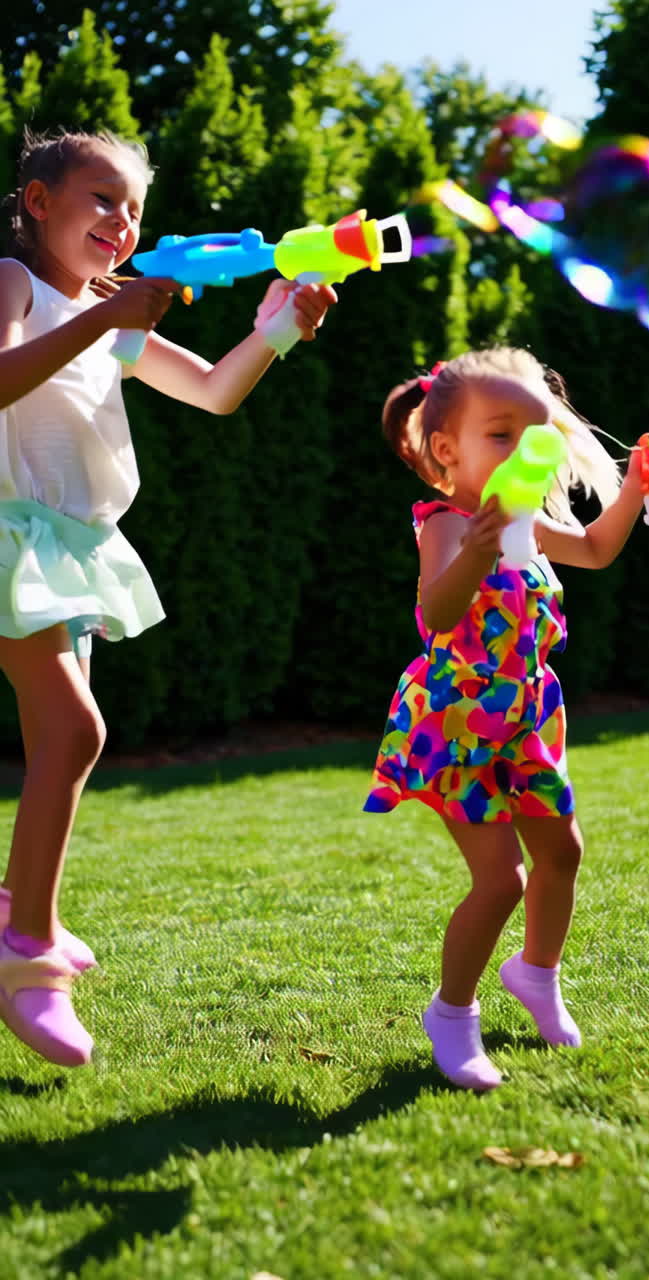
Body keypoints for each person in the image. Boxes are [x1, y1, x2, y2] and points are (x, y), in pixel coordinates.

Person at [0, 127, 336, 1068]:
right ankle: (26, 963)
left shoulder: (111, 308)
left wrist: (275, 328)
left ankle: (29, 913)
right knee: (76, 734)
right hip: (7, 532)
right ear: (38, 201)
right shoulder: (16, 285)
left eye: (135, 208)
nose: (122, 221)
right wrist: (106, 323)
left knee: (52, 747)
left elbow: (215, 393)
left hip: (74, 545)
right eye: (102, 199)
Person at [364, 347, 645, 1090]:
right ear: (447, 448)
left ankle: (536, 974)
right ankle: (452, 1014)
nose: (525, 448)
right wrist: (479, 550)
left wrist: (636, 490)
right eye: (501, 434)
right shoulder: (451, 523)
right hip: (457, 722)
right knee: (501, 881)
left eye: (534, 432)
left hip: (525, 719)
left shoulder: (528, 521)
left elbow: (595, 548)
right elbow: (436, 612)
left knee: (563, 855)